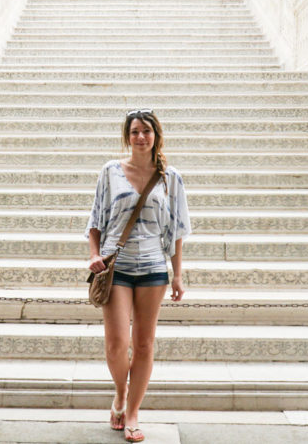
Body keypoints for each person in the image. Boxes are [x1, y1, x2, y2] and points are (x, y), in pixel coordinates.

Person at [86, 109, 190, 443]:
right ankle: (121, 392)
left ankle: (131, 413)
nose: (140, 137)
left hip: (154, 269)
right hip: (116, 268)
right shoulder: (110, 171)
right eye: (134, 132)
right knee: (117, 345)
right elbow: (95, 221)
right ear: (127, 137)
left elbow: (177, 231)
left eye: (146, 131)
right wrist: (93, 255)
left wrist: (177, 274)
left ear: (156, 135)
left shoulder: (170, 177)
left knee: (144, 345)